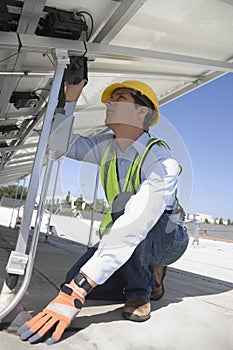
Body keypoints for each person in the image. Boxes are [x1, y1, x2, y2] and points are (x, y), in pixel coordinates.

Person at [18, 69, 189, 344]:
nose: (108, 103)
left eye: (118, 98)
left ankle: (140, 291)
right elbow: (57, 142)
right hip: (132, 231)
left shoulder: (160, 161)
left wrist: (76, 291)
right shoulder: (105, 147)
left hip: (167, 239)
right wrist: (70, 99)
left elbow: (135, 222)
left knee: (125, 210)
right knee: (74, 276)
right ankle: (145, 275)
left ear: (141, 112)